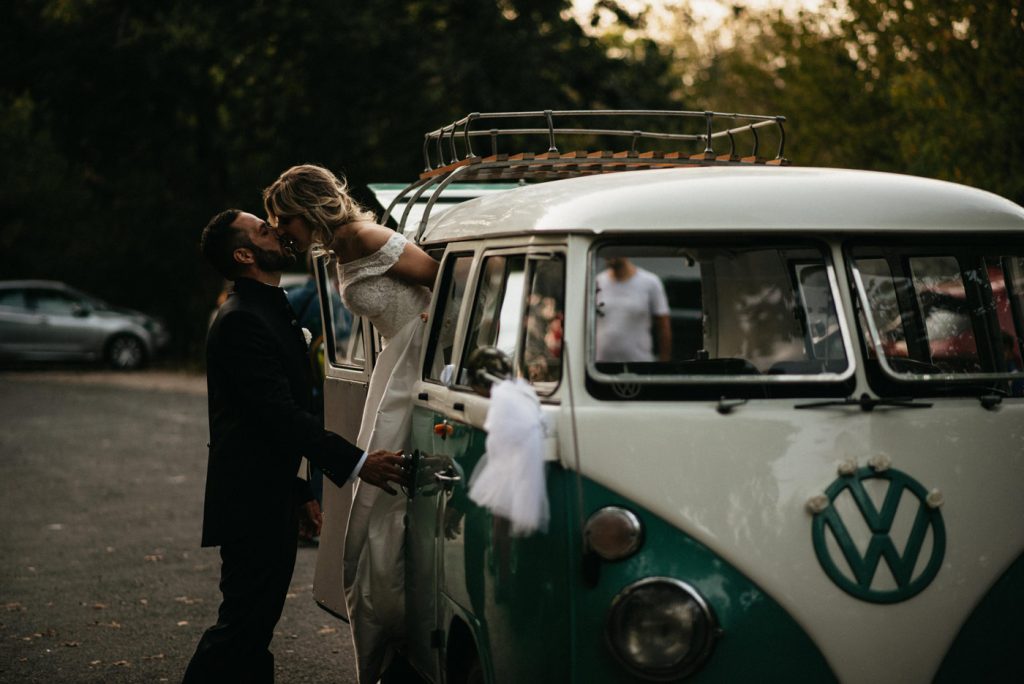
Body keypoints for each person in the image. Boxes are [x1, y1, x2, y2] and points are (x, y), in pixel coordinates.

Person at [183, 209, 409, 684]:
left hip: (271, 493)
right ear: (245, 254)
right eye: (263, 229)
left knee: (254, 626)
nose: (277, 231)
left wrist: (299, 490)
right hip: (249, 500)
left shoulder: (268, 307)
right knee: (242, 626)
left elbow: (267, 423)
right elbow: (278, 416)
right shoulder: (241, 320)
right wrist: (359, 462)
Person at [263, 165, 439, 684]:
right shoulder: (336, 248)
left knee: (384, 489)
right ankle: (387, 615)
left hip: (414, 358)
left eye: (283, 219)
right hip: (393, 362)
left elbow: (441, 283)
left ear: (308, 208)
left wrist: (427, 337)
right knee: (376, 487)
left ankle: (394, 613)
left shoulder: (366, 235)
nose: (281, 231)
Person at [595, 256, 672, 362]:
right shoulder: (597, 282)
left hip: (639, 367)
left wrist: (664, 363)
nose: (610, 255)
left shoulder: (650, 282)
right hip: (599, 368)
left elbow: (663, 325)